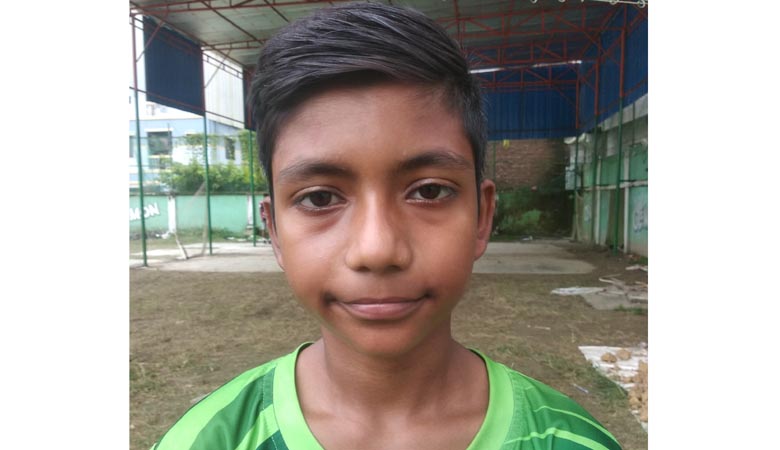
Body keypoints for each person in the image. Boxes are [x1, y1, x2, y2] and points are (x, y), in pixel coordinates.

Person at [151, 3, 622, 449]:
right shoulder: (207, 439)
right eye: (319, 198)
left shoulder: (571, 440)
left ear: (482, 216)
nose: (376, 249)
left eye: (429, 191)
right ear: (274, 232)